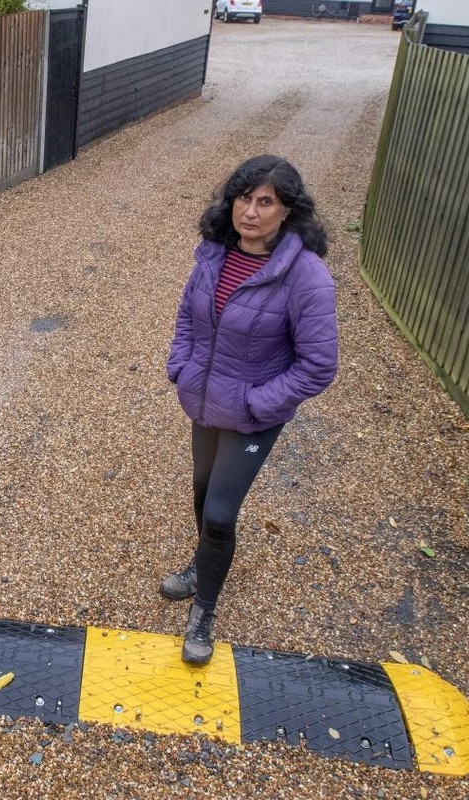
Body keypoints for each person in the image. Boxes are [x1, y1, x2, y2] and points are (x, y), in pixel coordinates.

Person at [162, 155, 338, 664]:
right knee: (201, 492)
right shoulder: (214, 253)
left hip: (253, 413)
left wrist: (255, 403)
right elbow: (188, 316)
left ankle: (205, 608)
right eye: (244, 198)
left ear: (288, 211)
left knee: (219, 512)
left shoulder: (306, 276)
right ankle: (203, 563)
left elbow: (318, 365)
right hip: (204, 400)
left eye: (266, 202)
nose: (251, 211)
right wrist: (181, 366)